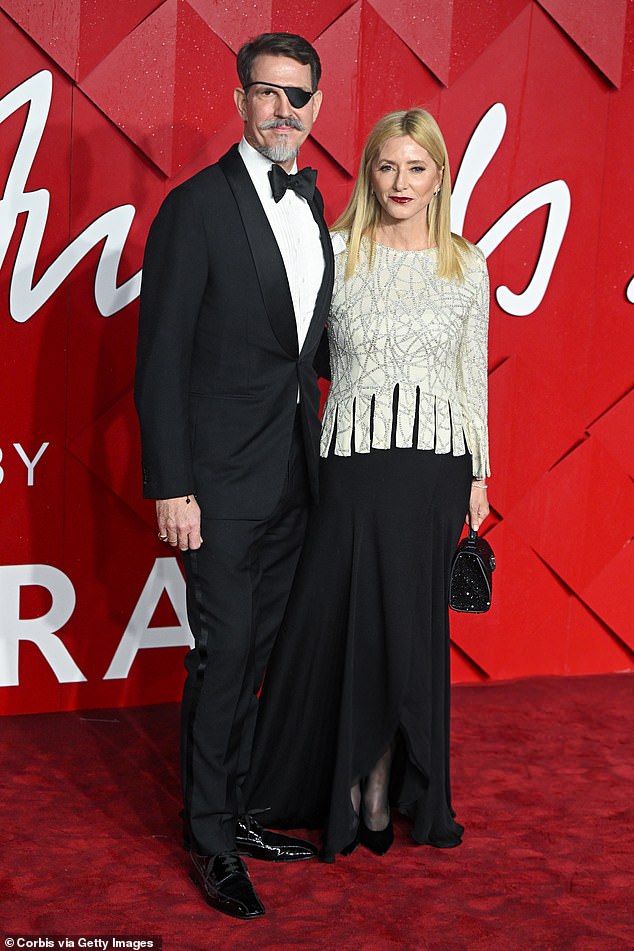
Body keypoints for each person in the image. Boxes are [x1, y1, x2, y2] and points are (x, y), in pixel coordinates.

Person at [245, 108, 490, 862]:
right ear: (368, 171)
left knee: (408, 627)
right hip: (351, 462)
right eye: (387, 166)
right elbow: (302, 353)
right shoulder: (335, 250)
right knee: (351, 620)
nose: (401, 183)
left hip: (436, 470)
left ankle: (383, 789)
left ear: (440, 175)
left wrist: (481, 472)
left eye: (417, 168)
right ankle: (342, 782)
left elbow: (470, 373)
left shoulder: (467, 264)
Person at [134, 33, 334, 918]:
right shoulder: (194, 208)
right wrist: (172, 484)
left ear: (316, 107)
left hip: (297, 476)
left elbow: (309, 351)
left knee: (258, 654)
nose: (283, 110)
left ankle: (240, 808)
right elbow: (160, 358)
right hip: (214, 487)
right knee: (222, 658)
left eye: (298, 96)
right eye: (267, 93)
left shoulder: (318, 207)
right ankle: (210, 840)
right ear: (241, 101)